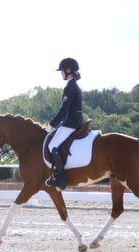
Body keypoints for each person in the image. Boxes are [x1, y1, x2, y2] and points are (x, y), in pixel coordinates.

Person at [45, 57, 83, 189]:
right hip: (73, 121)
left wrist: (51, 125)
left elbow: (63, 110)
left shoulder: (70, 87)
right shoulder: (74, 86)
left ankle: (61, 177)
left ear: (68, 70)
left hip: (71, 123)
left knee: (52, 145)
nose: (61, 73)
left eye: (62, 71)